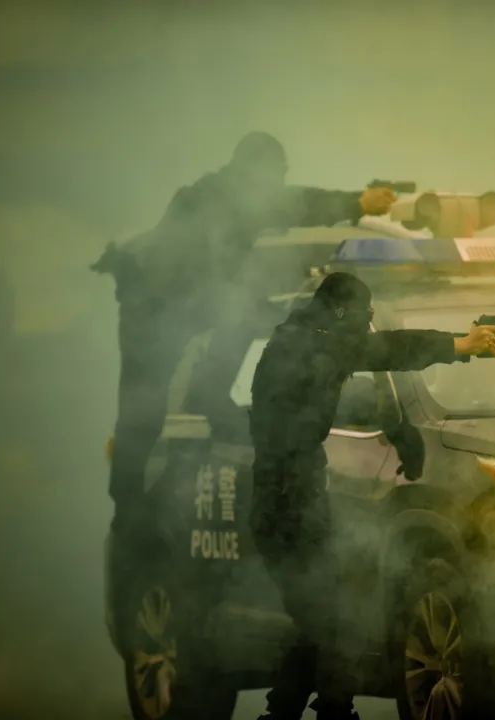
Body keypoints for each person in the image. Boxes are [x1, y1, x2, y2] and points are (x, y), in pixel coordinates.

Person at [92, 132, 397, 541]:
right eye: (277, 173)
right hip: (151, 311)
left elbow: (297, 204)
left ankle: (209, 399)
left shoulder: (234, 196)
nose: (280, 182)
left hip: (177, 303)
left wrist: (356, 202)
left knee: (245, 317)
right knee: (142, 415)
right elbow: (285, 212)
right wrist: (357, 203)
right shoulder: (217, 200)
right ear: (257, 170)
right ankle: (129, 515)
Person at [248, 272, 495, 720]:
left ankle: (297, 713)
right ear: (342, 312)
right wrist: (460, 345)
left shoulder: (305, 340)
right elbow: (390, 348)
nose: (366, 326)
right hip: (288, 502)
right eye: (363, 315)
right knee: (332, 617)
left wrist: (400, 430)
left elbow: (367, 365)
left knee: (319, 620)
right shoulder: (312, 345)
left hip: (291, 497)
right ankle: (331, 711)